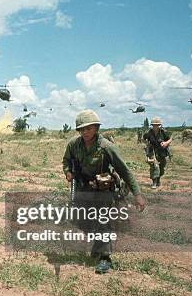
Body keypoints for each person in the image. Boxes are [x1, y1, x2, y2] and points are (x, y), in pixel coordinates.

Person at [62, 109, 146, 274]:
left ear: (96, 128)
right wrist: (67, 172)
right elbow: (66, 161)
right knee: (82, 221)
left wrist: (138, 195)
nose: (85, 132)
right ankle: (97, 244)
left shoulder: (106, 147)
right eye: (82, 129)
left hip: (102, 190)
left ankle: (104, 257)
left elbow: (125, 171)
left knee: (102, 221)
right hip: (82, 189)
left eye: (89, 128)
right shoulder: (73, 144)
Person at [143, 117, 172, 189]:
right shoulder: (148, 133)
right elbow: (143, 139)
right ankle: (154, 182)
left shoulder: (163, 132)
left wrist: (165, 143)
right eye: (154, 125)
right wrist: (146, 143)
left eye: (157, 125)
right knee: (155, 166)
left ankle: (158, 179)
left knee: (162, 168)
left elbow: (170, 139)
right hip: (152, 151)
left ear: (159, 125)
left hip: (162, 152)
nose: (155, 126)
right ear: (152, 125)